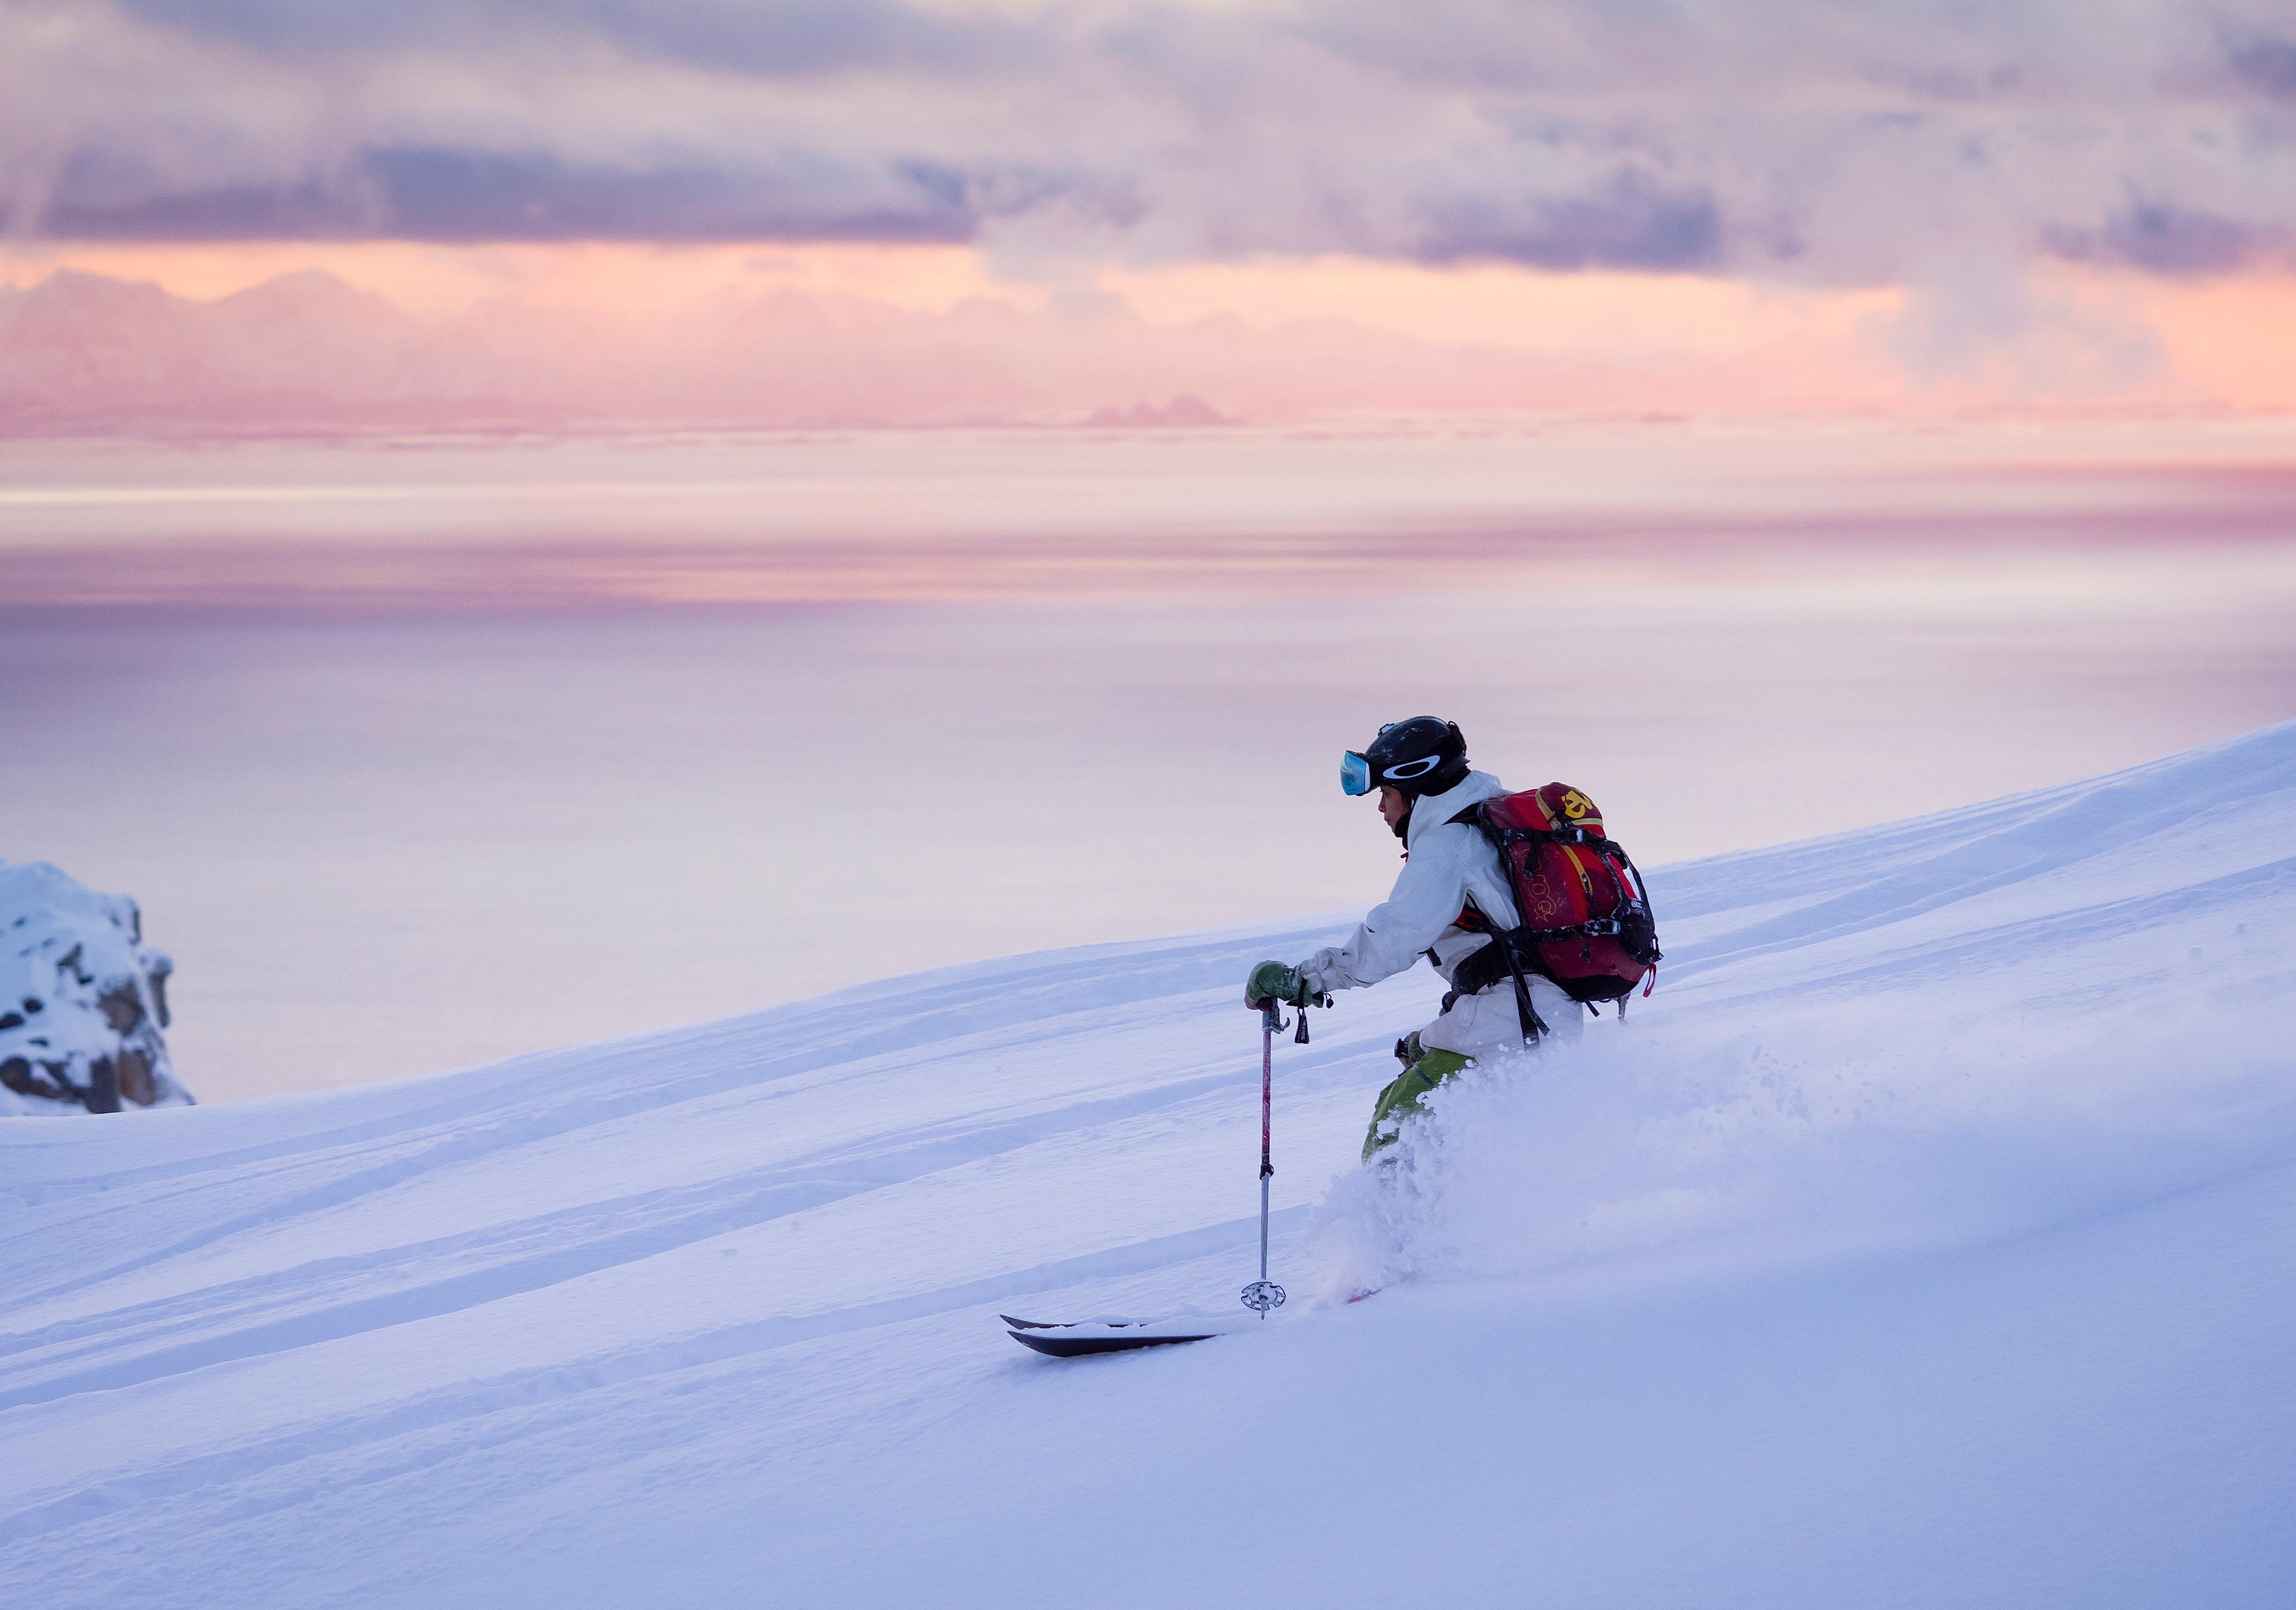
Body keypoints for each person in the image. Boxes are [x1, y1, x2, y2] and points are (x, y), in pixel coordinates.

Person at [1245, 718, 1583, 1160]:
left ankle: (1397, 1227)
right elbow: (1493, 955)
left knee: (1398, 1127)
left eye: (1385, 793)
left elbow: (1389, 942)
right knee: (1451, 1134)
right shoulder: (1485, 826)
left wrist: (1301, 980)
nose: (1381, 807)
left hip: (1518, 1019)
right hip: (1533, 1018)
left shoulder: (1449, 845)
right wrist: (1427, 1040)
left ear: (1416, 786)